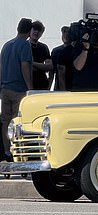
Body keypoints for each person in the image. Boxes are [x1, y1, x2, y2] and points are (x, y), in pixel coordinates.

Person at [0, 18, 33, 161]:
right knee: (18, 122)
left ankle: (7, 151)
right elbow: (25, 67)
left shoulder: (6, 45)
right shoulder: (25, 46)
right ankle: (17, 152)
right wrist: (30, 88)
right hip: (19, 89)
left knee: (5, 121)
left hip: (5, 88)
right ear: (29, 31)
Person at [29, 20, 53, 90]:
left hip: (42, 84)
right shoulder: (24, 46)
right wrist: (41, 66)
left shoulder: (43, 47)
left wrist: (32, 63)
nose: (36, 32)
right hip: (28, 84)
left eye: (39, 30)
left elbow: (49, 67)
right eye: (34, 29)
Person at [50, 26, 70, 90]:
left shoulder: (75, 51)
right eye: (63, 33)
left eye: (68, 33)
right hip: (58, 85)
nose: (65, 35)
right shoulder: (56, 51)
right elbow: (52, 71)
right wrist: (49, 87)